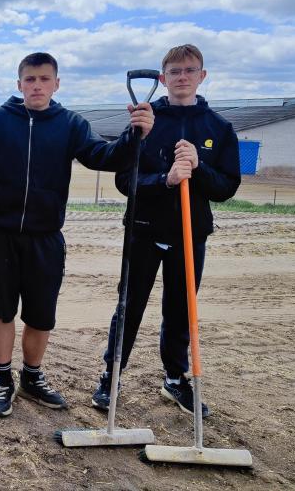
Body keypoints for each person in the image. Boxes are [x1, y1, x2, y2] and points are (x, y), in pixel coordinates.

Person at [0, 51, 154, 418]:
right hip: (1, 236)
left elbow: (103, 157)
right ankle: (3, 378)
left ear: (57, 83)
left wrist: (135, 135)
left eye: (44, 79)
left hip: (46, 238)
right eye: (30, 79)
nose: (37, 86)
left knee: (41, 316)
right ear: (19, 83)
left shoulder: (70, 124)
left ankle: (31, 377)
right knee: (3, 311)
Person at [91, 44, 240, 418]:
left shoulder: (219, 128)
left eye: (190, 70)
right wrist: (166, 179)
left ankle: (175, 378)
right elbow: (124, 180)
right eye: (175, 71)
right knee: (129, 307)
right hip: (143, 231)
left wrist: (198, 167)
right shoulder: (145, 121)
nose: (182, 77)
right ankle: (112, 376)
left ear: (202, 76)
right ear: (163, 78)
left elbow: (226, 187)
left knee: (180, 311)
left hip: (190, 235)